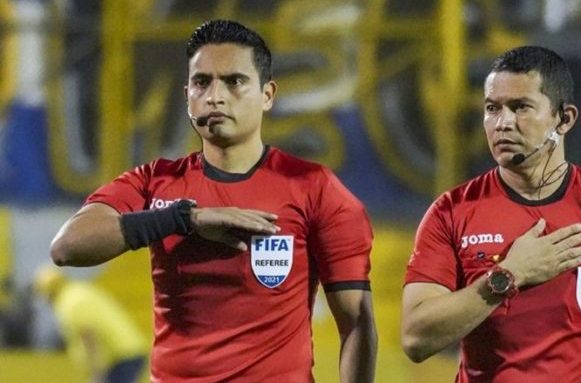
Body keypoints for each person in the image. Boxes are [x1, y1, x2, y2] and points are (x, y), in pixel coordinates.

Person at [50, 19, 377, 382]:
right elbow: (68, 247)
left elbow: (357, 323)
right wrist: (185, 219)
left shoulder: (315, 189)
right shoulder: (154, 181)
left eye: (234, 81)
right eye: (201, 82)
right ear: (186, 94)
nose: (215, 96)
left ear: (268, 95)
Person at [401, 46, 581, 382]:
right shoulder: (451, 213)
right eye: (492, 108)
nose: (502, 123)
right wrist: (508, 276)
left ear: (564, 119)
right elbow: (416, 339)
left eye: (520, 107)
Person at [33, 266, 148, 383]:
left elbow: (88, 336)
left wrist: (97, 373)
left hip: (121, 356)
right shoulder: (79, 291)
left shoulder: (69, 303)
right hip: (127, 350)